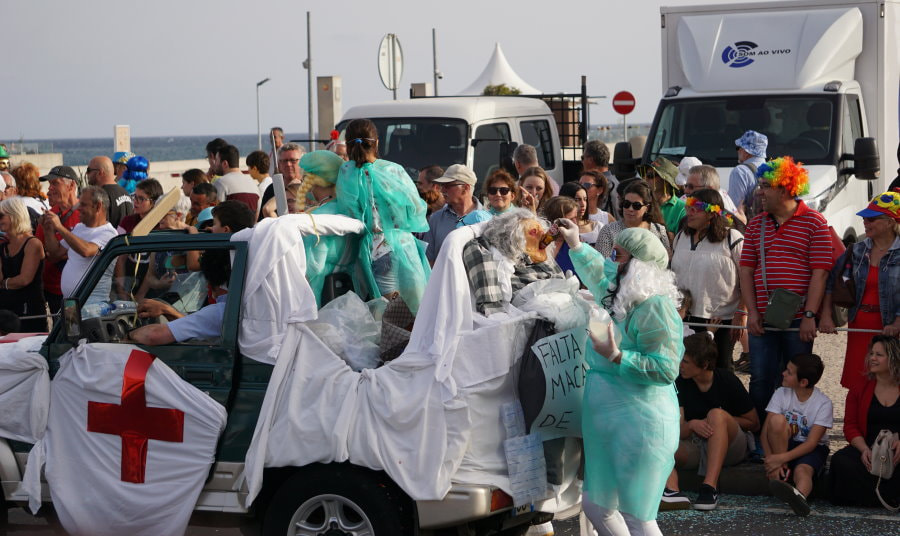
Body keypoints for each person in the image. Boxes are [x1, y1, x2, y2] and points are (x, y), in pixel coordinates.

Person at [555, 221, 682, 536]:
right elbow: (599, 276)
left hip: (640, 422)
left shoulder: (656, 307)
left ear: (637, 266)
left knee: (636, 513)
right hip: (609, 420)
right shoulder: (621, 297)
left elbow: (665, 368)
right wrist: (576, 246)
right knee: (597, 506)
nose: (611, 259)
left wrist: (618, 356)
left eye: (618, 254)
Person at [740, 156, 832, 423]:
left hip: (799, 318)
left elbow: (820, 273)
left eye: (765, 185)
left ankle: (793, 433)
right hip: (763, 318)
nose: (759, 191)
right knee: (760, 378)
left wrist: (810, 315)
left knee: (796, 380)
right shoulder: (756, 224)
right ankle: (759, 437)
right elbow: (745, 271)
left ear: (783, 188)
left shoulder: (815, 222)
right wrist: (752, 313)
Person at [336, 118, 430, 313]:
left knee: (387, 313)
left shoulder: (346, 172)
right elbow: (416, 209)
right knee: (417, 308)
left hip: (373, 247)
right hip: (403, 245)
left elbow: (349, 211)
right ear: (376, 142)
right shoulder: (393, 170)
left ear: (347, 145)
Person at [662, 333, 759, 511]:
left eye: (685, 361)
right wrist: (692, 425)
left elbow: (753, 423)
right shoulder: (681, 383)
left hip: (732, 446)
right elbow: (679, 431)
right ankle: (672, 491)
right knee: (660, 444)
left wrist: (717, 422)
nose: (680, 365)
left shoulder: (727, 380)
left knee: (716, 414)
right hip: (696, 443)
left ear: (704, 364)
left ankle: (709, 487)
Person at [821, 190, 900, 391]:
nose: (865, 222)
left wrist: (898, 322)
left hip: (891, 328)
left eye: (872, 218)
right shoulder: (856, 250)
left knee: (889, 383)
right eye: (865, 218)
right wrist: (827, 316)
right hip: (859, 325)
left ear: (891, 221)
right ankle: (852, 423)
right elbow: (832, 282)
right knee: (857, 384)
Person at [671, 189, 745, 370]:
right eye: (688, 207)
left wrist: (741, 313)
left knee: (719, 370)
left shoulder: (732, 238)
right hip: (684, 316)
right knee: (685, 369)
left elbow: (747, 278)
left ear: (712, 212)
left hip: (719, 319)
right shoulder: (681, 236)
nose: (689, 212)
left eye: (696, 208)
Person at [829, 336, 900, 508]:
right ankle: (886, 496)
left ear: (893, 358)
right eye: (871, 353)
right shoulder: (859, 387)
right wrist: (864, 450)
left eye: (879, 355)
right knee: (840, 461)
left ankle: (877, 495)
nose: (872, 358)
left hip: (897, 448)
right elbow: (850, 426)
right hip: (869, 445)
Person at [762, 353, 833, 517]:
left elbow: (812, 443)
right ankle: (780, 476)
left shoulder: (823, 403)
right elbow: (766, 431)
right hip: (782, 444)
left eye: (789, 372)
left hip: (811, 448)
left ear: (803, 382)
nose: (783, 373)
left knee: (803, 471)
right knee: (777, 421)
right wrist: (771, 459)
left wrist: (781, 459)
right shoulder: (781, 393)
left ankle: (799, 497)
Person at [462, 208, 563, 316]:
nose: (543, 235)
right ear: (512, 238)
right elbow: (493, 310)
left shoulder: (545, 261)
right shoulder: (494, 259)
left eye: (542, 231)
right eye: (533, 232)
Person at [129, 248, 232, 345]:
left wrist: (129, 335)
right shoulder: (233, 308)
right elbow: (198, 325)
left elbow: (152, 335)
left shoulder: (220, 312)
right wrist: (166, 310)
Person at [41, 186, 118, 304]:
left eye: (83, 205)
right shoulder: (79, 227)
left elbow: (86, 250)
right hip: (71, 304)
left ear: (98, 206)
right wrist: (48, 229)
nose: (78, 209)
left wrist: (60, 227)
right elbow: (55, 253)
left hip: (92, 305)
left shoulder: (109, 233)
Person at [36, 166, 81, 314]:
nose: (50, 189)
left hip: (75, 290)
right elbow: (40, 249)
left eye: (55, 183)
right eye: (50, 185)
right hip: (50, 288)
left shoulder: (85, 214)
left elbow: (83, 251)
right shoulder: (50, 214)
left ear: (72, 185)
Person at [0, 198, 46, 332]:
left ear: (15, 215)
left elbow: (24, 279)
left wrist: (4, 284)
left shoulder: (32, 244)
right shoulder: (3, 246)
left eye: (2, 215)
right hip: (6, 312)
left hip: (29, 311)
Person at [594, 180, 671, 258]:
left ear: (647, 208)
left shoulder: (659, 231)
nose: (630, 209)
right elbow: (601, 264)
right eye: (626, 204)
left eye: (636, 205)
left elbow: (666, 263)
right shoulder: (609, 231)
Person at [424, 164, 482, 263]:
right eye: (442, 186)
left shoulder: (486, 220)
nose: (442, 190)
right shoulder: (436, 219)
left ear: (466, 188)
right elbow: (428, 261)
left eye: (448, 185)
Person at [729, 130, 768, 221]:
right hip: (769, 226)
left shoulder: (740, 171)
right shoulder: (773, 170)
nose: (738, 151)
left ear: (746, 151)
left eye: (738, 148)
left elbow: (733, 209)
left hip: (749, 228)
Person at [85, 155, 134, 228]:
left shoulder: (100, 196)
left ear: (100, 173)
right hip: (124, 238)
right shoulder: (125, 193)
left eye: (89, 170)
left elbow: (96, 228)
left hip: (108, 239)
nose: (86, 174)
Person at [642, 157, 685, 234]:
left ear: (666, 181)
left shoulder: (682, 209)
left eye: (650, 175)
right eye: (645, 174)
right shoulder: (640, 204)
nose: (645, 178)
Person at [211, 144, 258, 213]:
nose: (215, 164)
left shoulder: (220, 183)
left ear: (225, 163)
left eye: (217, 160)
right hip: (252, 223)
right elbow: (257, 213)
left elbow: (216, 213)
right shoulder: (253, 183)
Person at [541, 196, 580, 277]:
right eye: (571, 219)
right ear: (556, 220)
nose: (575, 223)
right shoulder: (537, 242)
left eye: (576, 218)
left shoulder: (576, 245)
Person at [582, 139, 618, 215]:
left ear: (590, 160)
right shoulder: (615, 182)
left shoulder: (604, 184)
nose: (582, 161)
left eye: (583, 158)